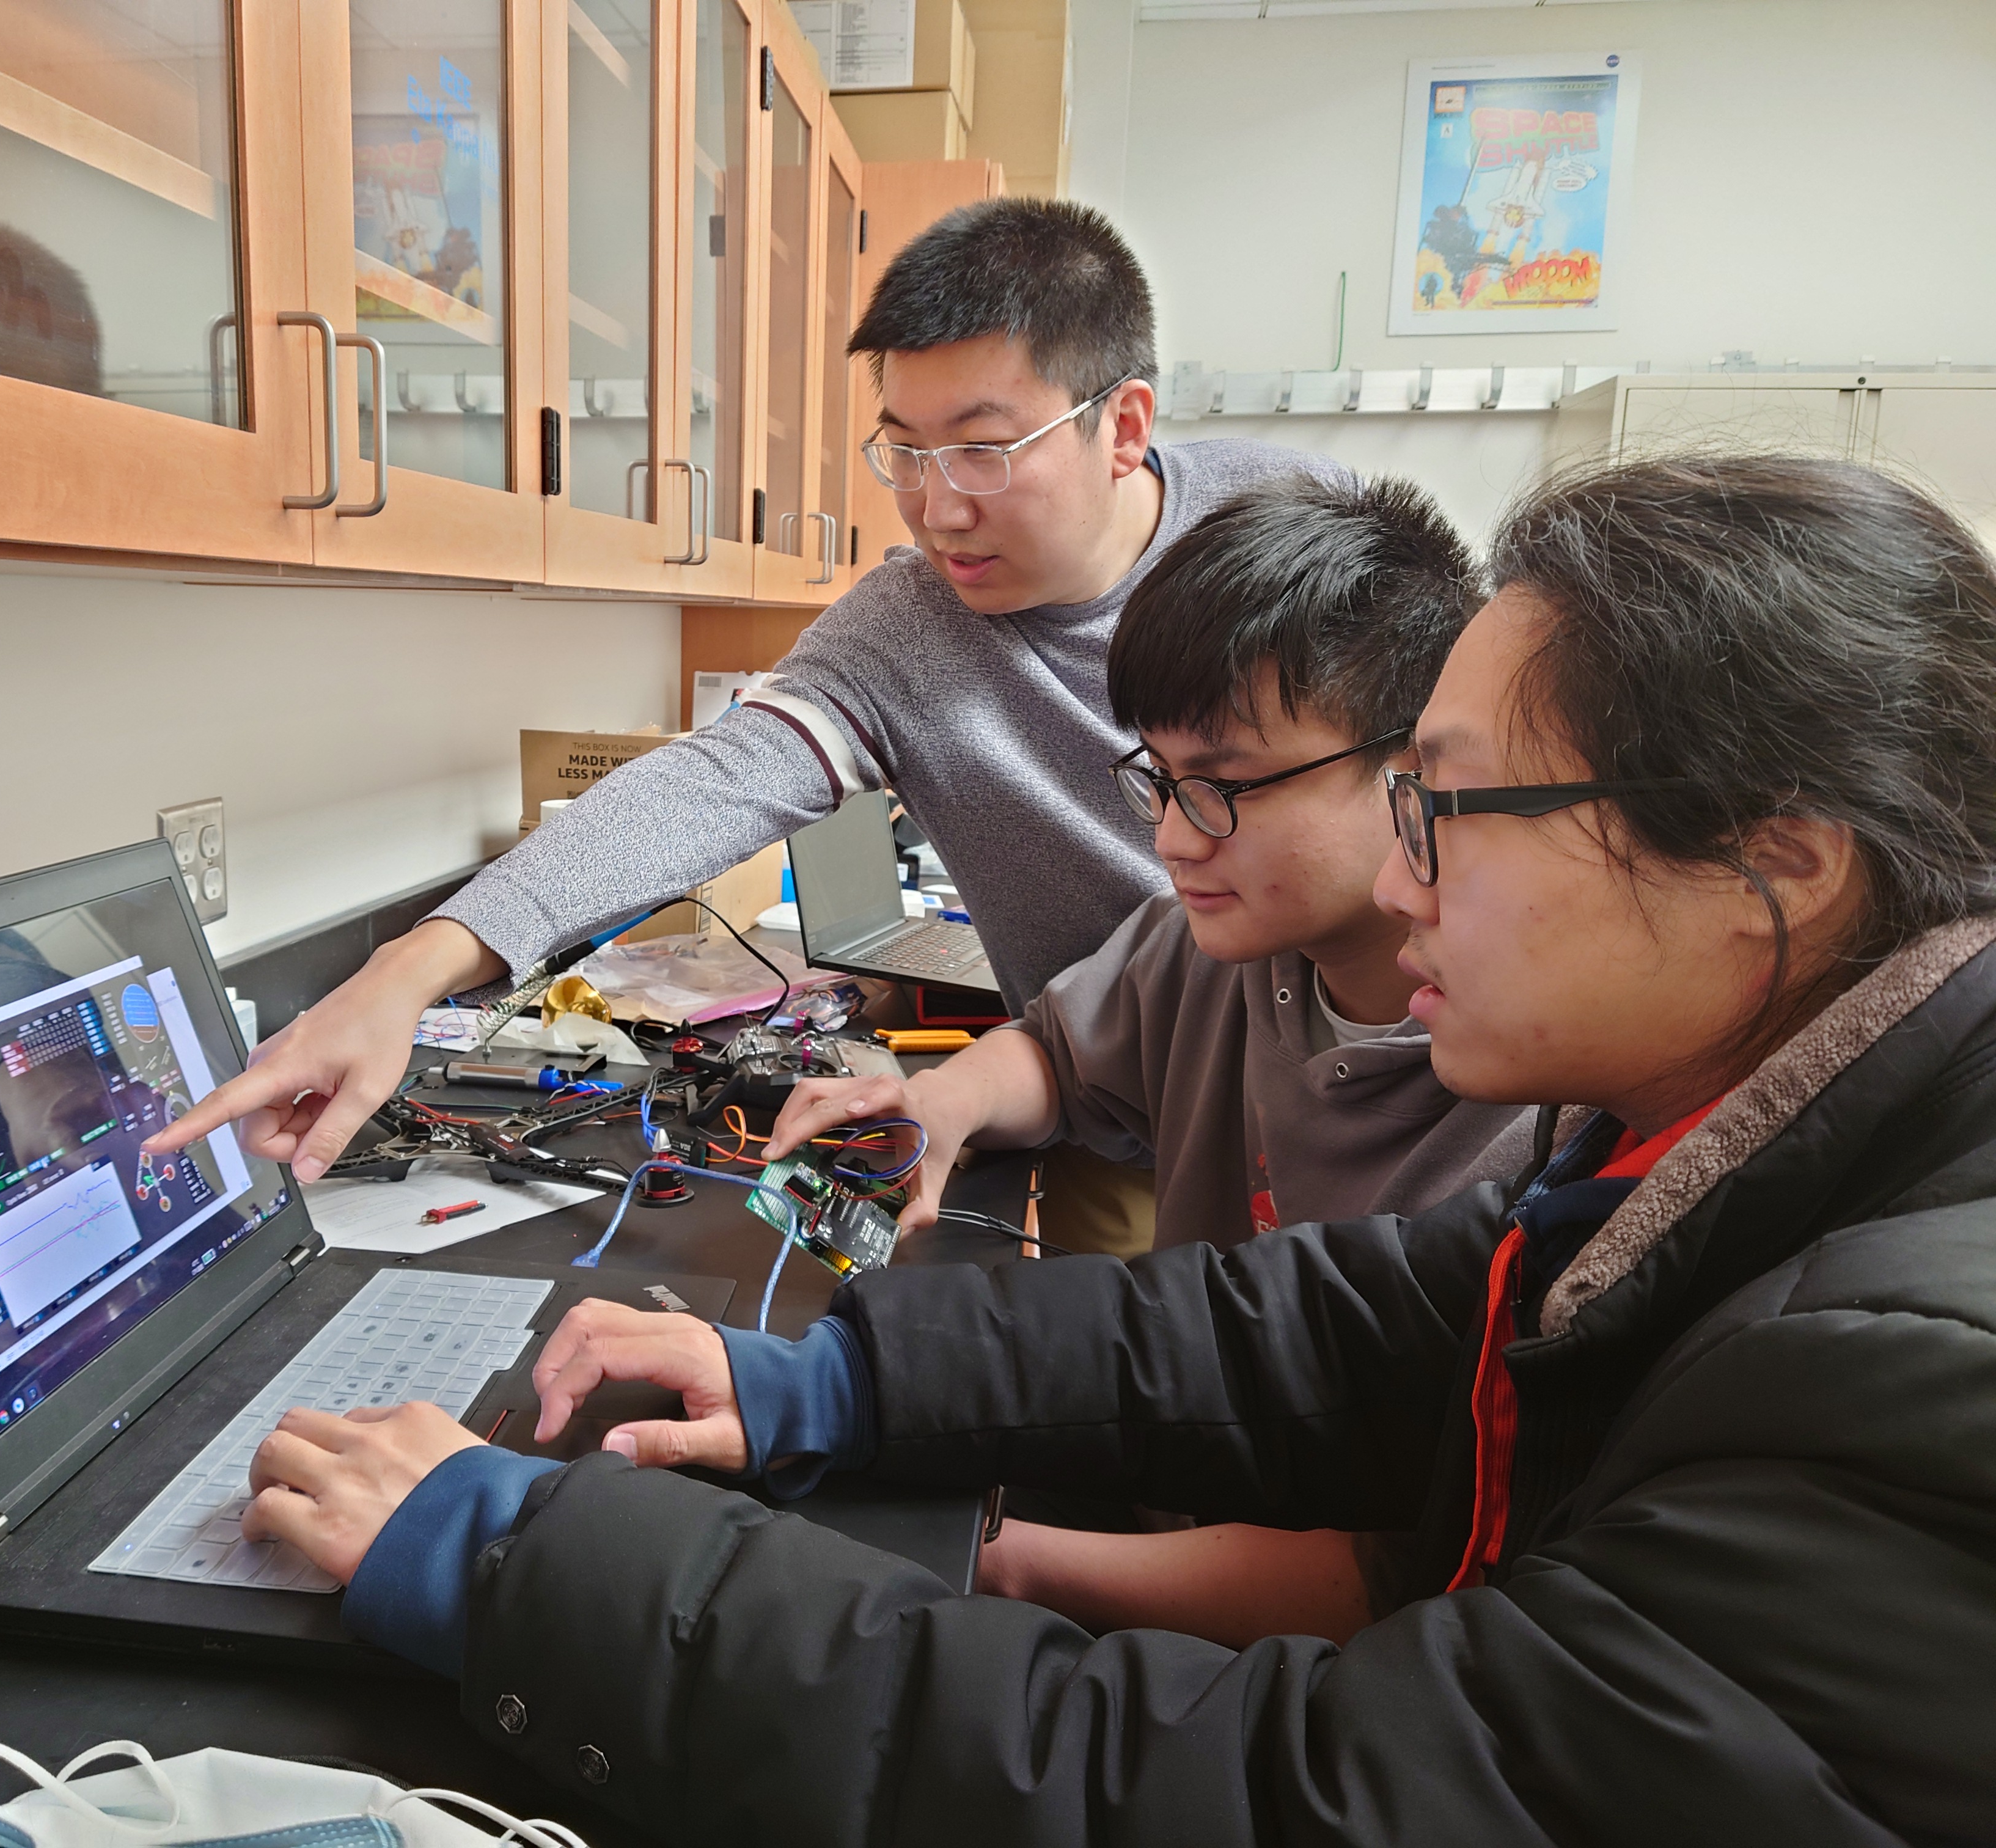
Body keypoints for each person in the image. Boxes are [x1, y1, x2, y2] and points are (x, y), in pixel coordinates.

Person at [235, 454, 1996, 1841]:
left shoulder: (1912, 1400)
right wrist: (824, 1385)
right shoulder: (1724, 1165)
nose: (1402, 882)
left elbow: (1280, 1797)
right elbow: (1304, 1327)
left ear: (1777, 867)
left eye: (1448, 812)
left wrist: (522, 1561)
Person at [149, 201, 1346, 1231]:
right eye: (904, 452)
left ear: (1124, 425)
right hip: (1110, 1107)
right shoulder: (907, 631)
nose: (937, 509)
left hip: (1363, 1089)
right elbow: (700, 789)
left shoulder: (1295, 534)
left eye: (982, 453)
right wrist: (403, 979)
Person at [758, 471, 1533, 1643]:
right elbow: (1064, 1054)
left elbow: (1388, 1573)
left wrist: (1000, 1557)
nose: (1172, 837)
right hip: (1176, 1494)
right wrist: (941, 1106)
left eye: (1223, 787)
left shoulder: (1528, 1098)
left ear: (1415, 767)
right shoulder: (1213, 945)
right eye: (1161, 781)